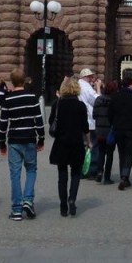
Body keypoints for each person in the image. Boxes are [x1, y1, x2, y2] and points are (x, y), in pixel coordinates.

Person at [0, 69, 45, 221]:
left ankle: (16, 210)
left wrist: (1, 143)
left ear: (11, 81)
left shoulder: (8, 100)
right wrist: (41, 139)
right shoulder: (32, 97)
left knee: (15, 174)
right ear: (24, 81)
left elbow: (3, 123)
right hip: (30, 138)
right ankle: (28, 201)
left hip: (14, 140)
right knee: (31, 170)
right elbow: (39, 119)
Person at [48, 77, 91, 216]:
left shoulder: (57, 104)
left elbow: (50, 122)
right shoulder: (81, 106)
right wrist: (89, 142)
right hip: (76, 143)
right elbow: (85, 127)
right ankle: (72, 199)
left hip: (61, 143)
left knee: (62, 175)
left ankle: (63, 205)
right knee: (76, 173)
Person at [109, 76, 132, 190]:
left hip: (118, 129)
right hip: (131, 129)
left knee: (121, 153)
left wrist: (113, 124)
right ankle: (125, 177)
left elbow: (110, 114)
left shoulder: (114, 97)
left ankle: (123, 177)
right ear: (130, 85)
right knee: (129, 153)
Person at [93, 79, 117, 184]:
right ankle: (107, 177)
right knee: (110, 154)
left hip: (100, 131)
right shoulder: (114, 101)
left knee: (101, 152)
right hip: (111, 131)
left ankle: (99, 172)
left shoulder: (98, 100)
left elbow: (94, 115)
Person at [77, 68, 100, 177]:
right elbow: (97, 101)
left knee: (81, 145)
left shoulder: (77, 86)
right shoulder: (87, 87)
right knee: (93, 145)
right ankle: (92, 170)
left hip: (79, 121)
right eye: (91, 77)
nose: (93, 79)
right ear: (86, 77)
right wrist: (98, 89)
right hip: (90, 121)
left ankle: (81, 169)